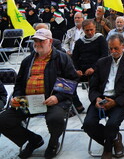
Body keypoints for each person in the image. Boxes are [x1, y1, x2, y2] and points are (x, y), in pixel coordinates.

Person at [0, 29, 78, 159]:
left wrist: (57, 97)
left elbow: (72, 81)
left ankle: (53, 143)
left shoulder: (62, 58)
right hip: (28, 101)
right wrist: (16, 97)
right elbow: (19, 84)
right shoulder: (28, 61)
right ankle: (33, 140)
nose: (37, 43)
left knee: (55, 118)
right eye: (36, 41)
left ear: (50, 41)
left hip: (52, 101)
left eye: (41, 41)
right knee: (3, 120)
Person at [83, 34, 124, 159]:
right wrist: (96, 99)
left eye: (116, 48)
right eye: (111, 49)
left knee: (112, 124)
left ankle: (108, 149)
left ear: (123, 46)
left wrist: (115, 102)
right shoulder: (101, 62)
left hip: (121, 100)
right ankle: (114, 138)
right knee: (88, 124)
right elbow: (93, 87)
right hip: (102, 98)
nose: (113, 52)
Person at [72, 19, 109, 112]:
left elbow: (104, 56)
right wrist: (77, 69)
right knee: (68, 84)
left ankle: (96, 105)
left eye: (91, 29)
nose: (90, 32)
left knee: (94, 85)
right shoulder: (79, 42)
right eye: (87, 30)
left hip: (97, 69)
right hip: (82, 70)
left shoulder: (100, 39)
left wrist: (94, 68)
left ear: (95, 28)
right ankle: (77, 105)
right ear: (83, 30)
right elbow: (74, 58)